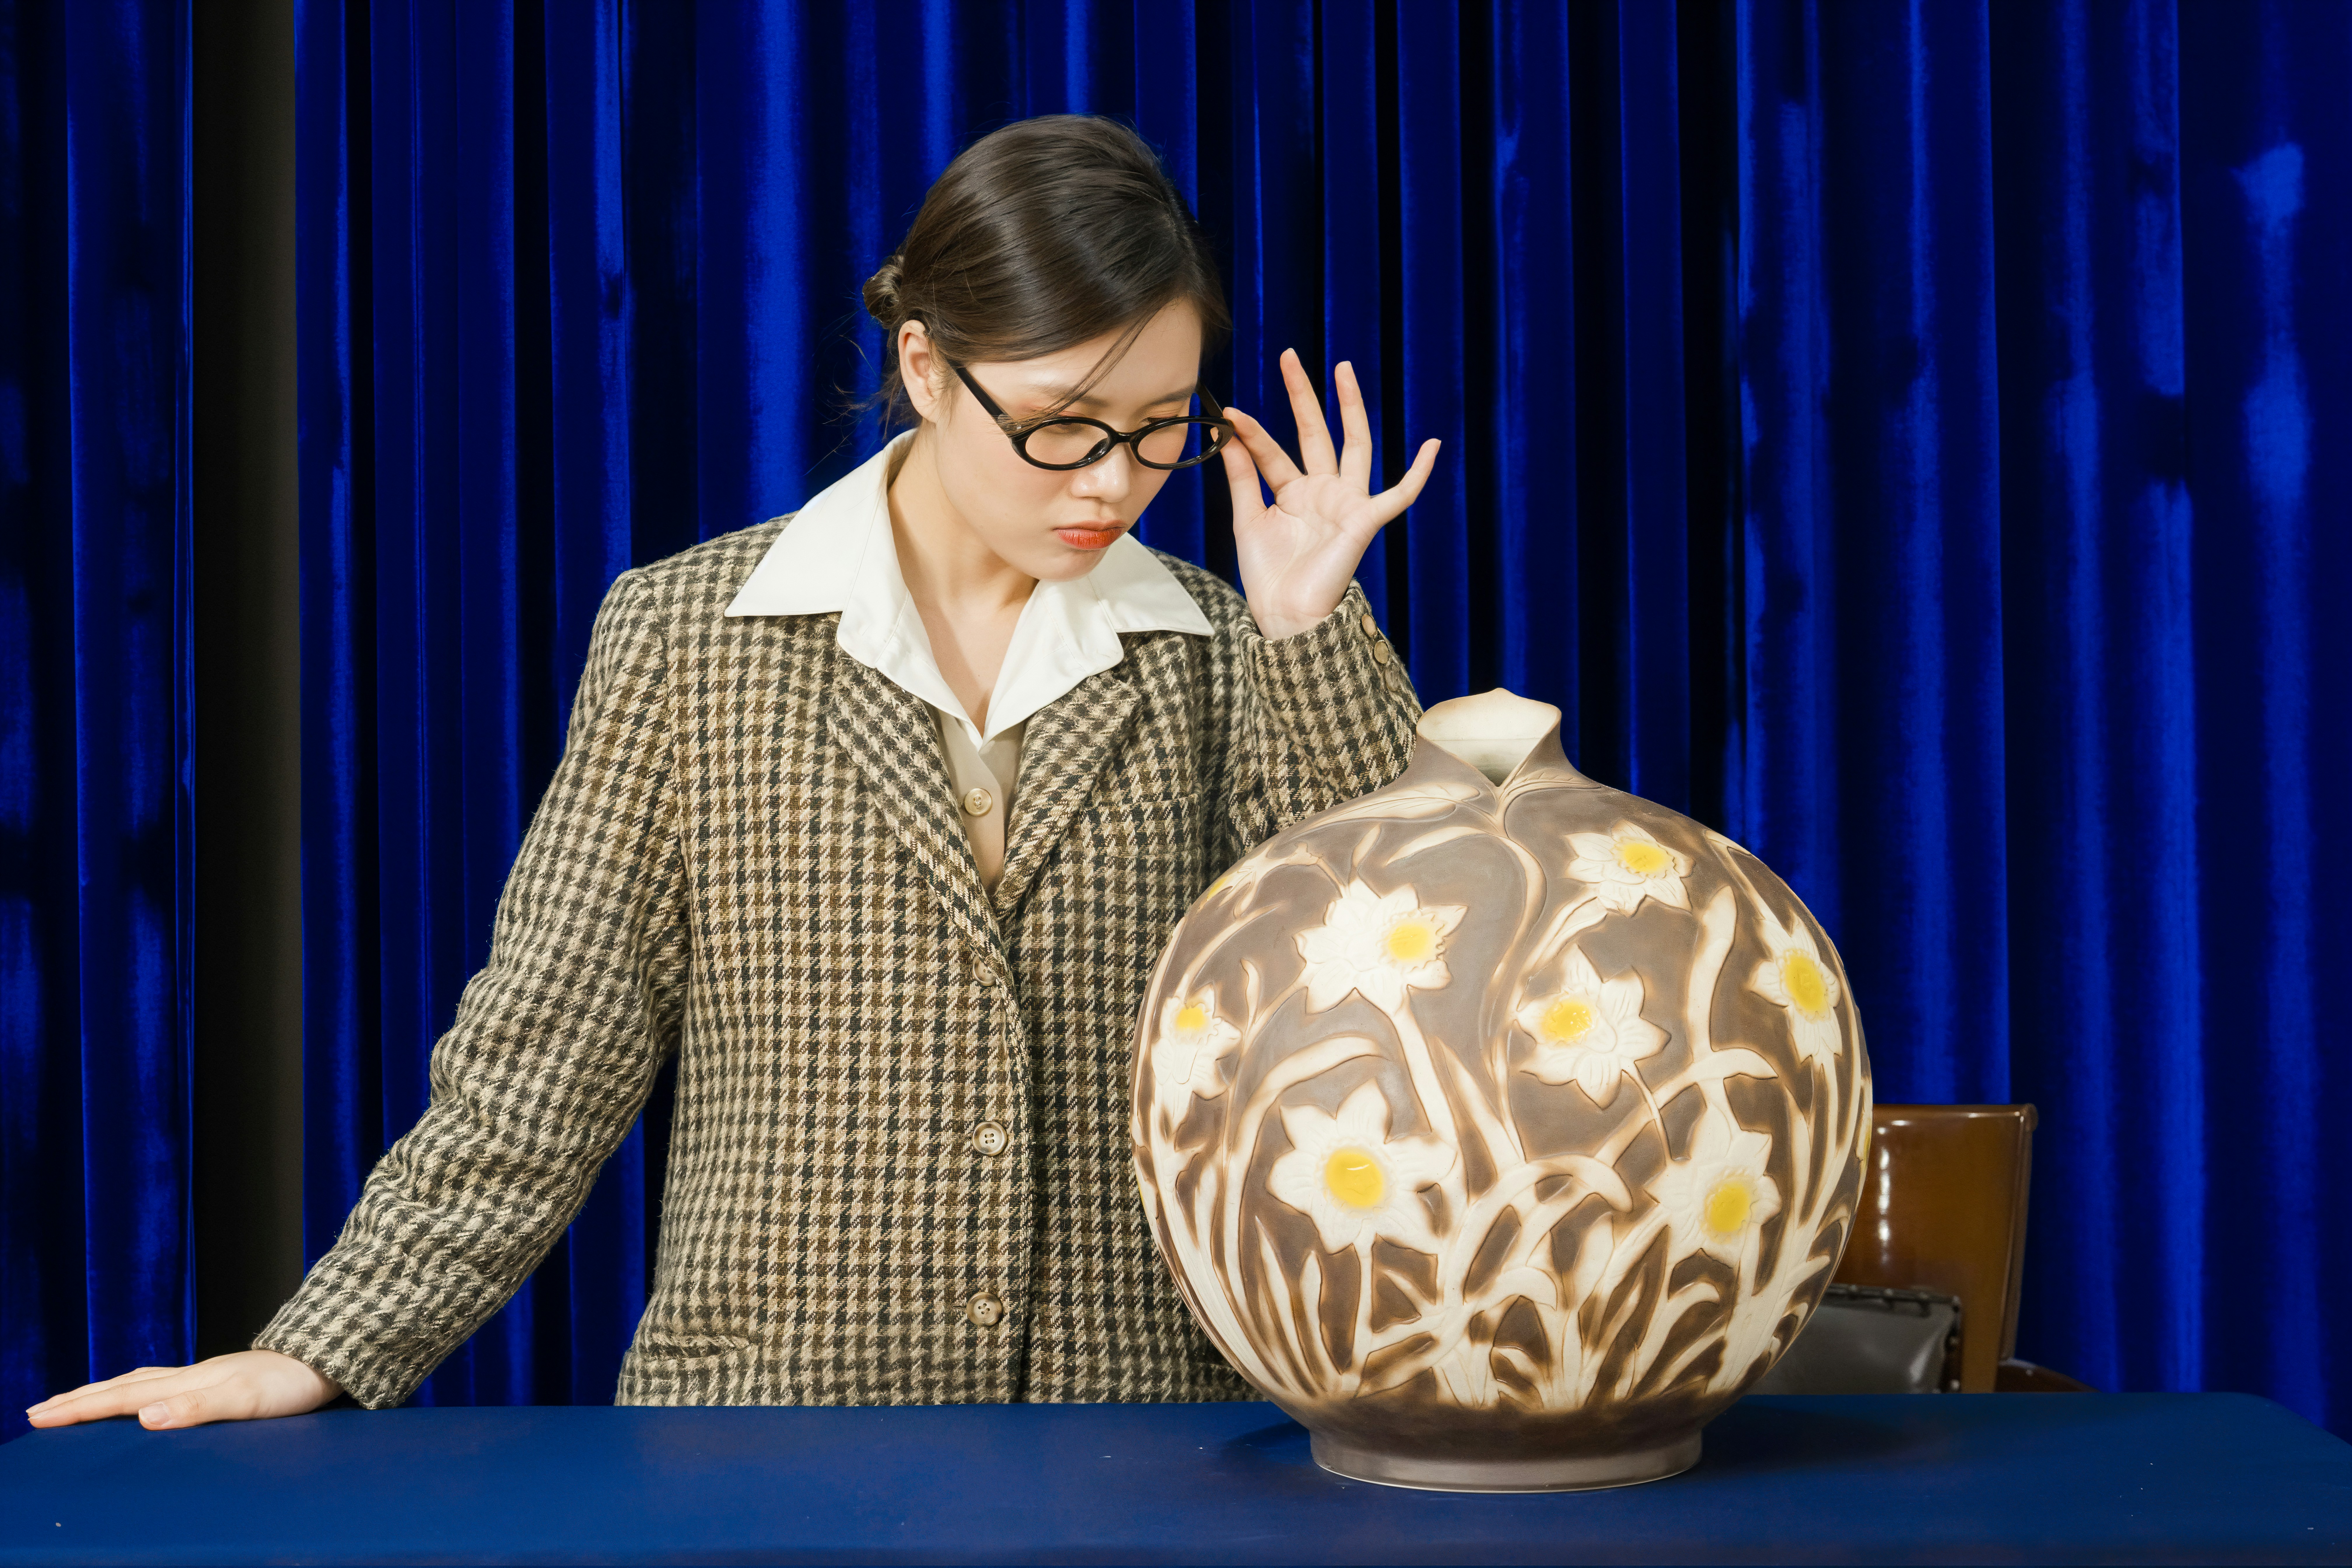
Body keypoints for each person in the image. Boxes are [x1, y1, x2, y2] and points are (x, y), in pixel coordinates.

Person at [28, 113, 1439, 1432]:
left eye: (1159, 430)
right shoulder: (686, 638)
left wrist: (1308, 626)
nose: (1111, 483)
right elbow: (548, 1050)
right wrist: (321, 1347)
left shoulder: (1217, 647)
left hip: (1141, 1433)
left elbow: (1401, 985)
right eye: (1063, 425)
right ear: (930, 371)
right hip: (760, 1436)